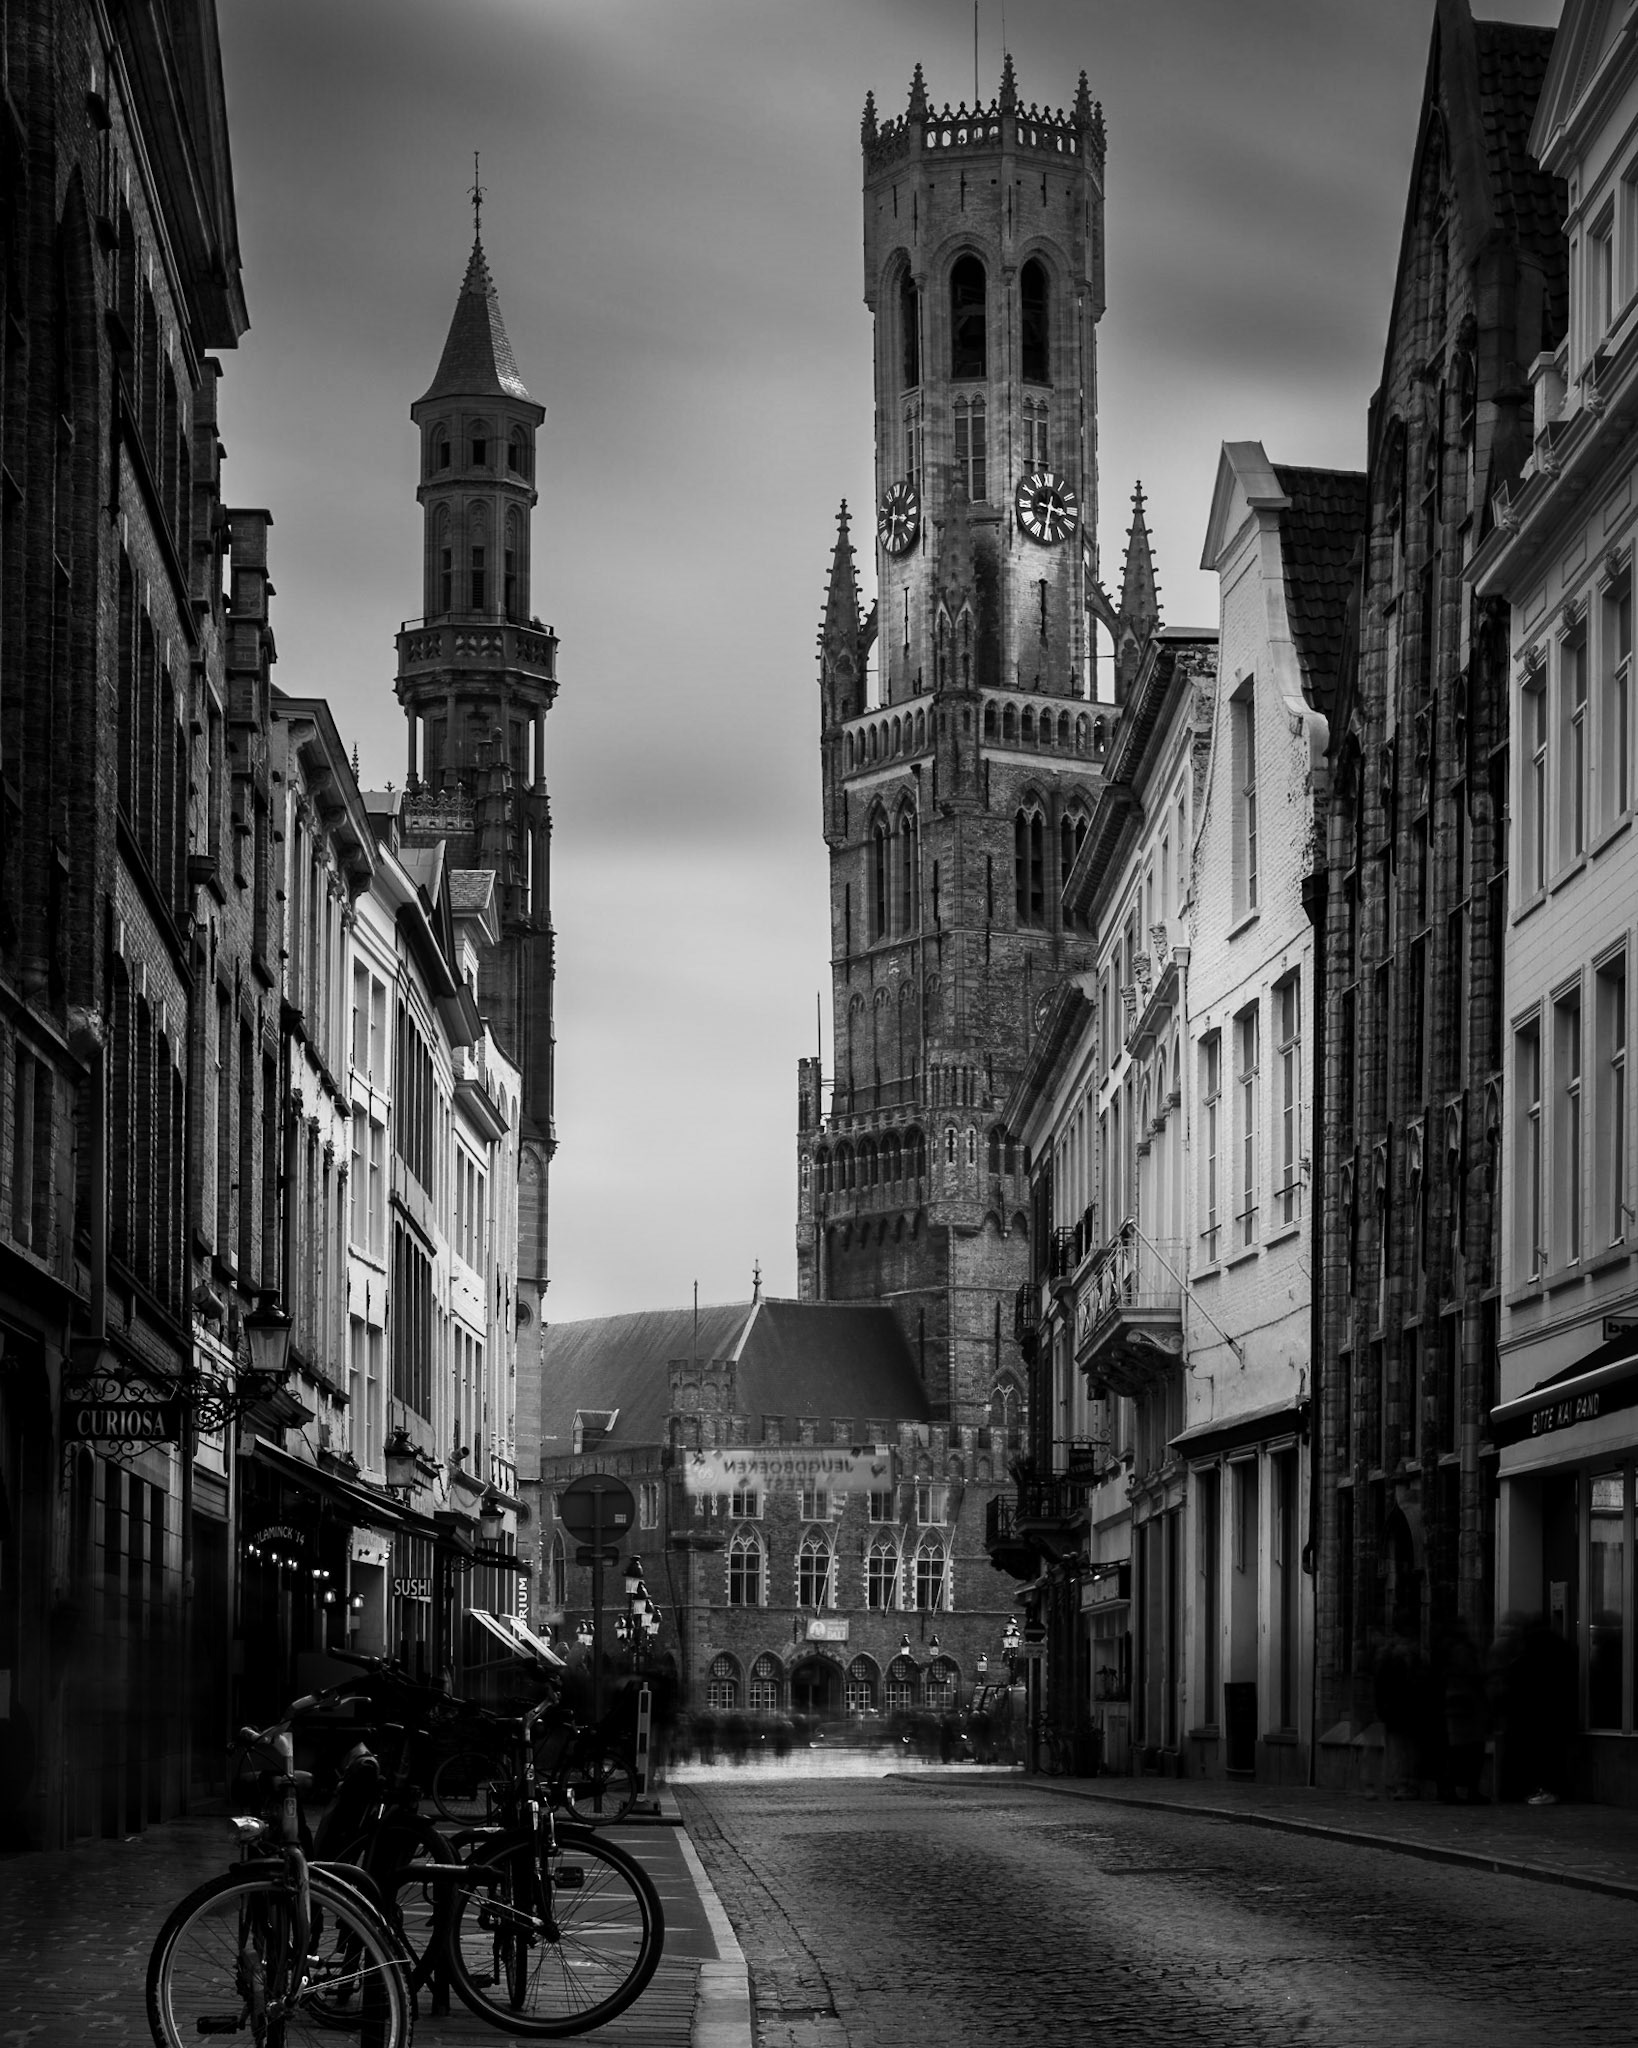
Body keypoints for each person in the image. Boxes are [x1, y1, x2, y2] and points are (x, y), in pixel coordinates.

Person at [1435, 1620, 1487, 1803]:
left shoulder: (1445, 1649)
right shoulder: (1461, 1649)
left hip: (1454, 1703)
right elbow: (1472, 1674)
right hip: (1466, 1703)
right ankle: (1466, 1790)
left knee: (1458, 1750)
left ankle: (1453, 1789)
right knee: (1469, 1750)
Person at [1373, 1628, 1425, 1800]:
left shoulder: (1388, 1656)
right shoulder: (1400, 1658)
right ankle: (1402, 1784)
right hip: (1400, 1710)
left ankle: (1395, 1783)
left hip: (1394, 1710)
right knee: (1402, 1749)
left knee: (1397, 1748)